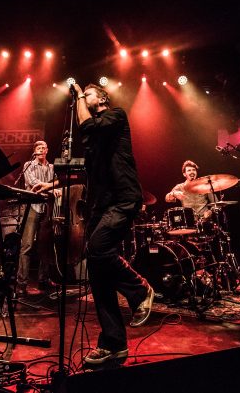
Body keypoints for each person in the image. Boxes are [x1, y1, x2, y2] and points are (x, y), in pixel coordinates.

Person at [70, 82, 154, 365]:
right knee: (97, 272)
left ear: (102, 97)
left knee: (99, 249)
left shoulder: (116, 115)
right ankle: (113, 343)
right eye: (84, 96)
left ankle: (140, 289)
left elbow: (87, 125)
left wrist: (79, 94)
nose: (85, 98)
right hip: (102, 204)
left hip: (123, 197)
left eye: (89, 95)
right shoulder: (93, 136)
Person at [16, 140, 56, 295]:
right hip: (32, 207)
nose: (41, 150)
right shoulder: (29, 165)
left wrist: (51, 187)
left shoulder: (52, 167)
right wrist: (50, 188)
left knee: (45, 245)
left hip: (47, 208)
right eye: (38, 148)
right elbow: (33, 184)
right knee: (27, 245)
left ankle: (43, 279)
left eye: (43, 147)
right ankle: (21, 284)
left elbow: (58, 182)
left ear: (47, 150)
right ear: (34, 151)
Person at [165, 160, 217, 228]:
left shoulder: (205, 186)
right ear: (184, 174)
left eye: (194, 170)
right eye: (189, 170)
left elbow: (216, 203)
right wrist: (173, 194)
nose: (192, 172)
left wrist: (210, 212)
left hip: (205, 222)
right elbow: (167, 199)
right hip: (188, 222)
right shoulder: (180, 187)